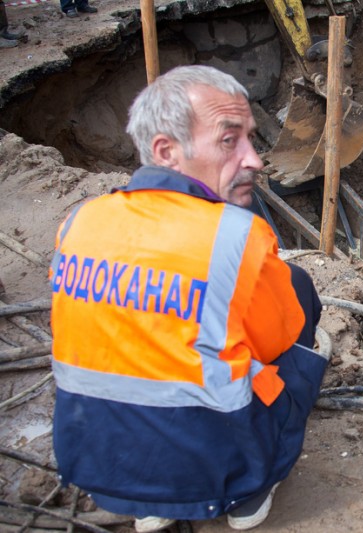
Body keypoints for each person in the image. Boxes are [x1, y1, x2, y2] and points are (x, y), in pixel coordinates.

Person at [50, 65, 328, 532]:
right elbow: (274, 341)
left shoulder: (78, 222)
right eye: (228, 140)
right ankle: (247, 494)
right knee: (297, 296)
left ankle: (150, 501)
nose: (254, 160)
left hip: (98, 464)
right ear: (166, 151)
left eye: (250, 139)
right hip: (221, 469)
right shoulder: (237, 238)